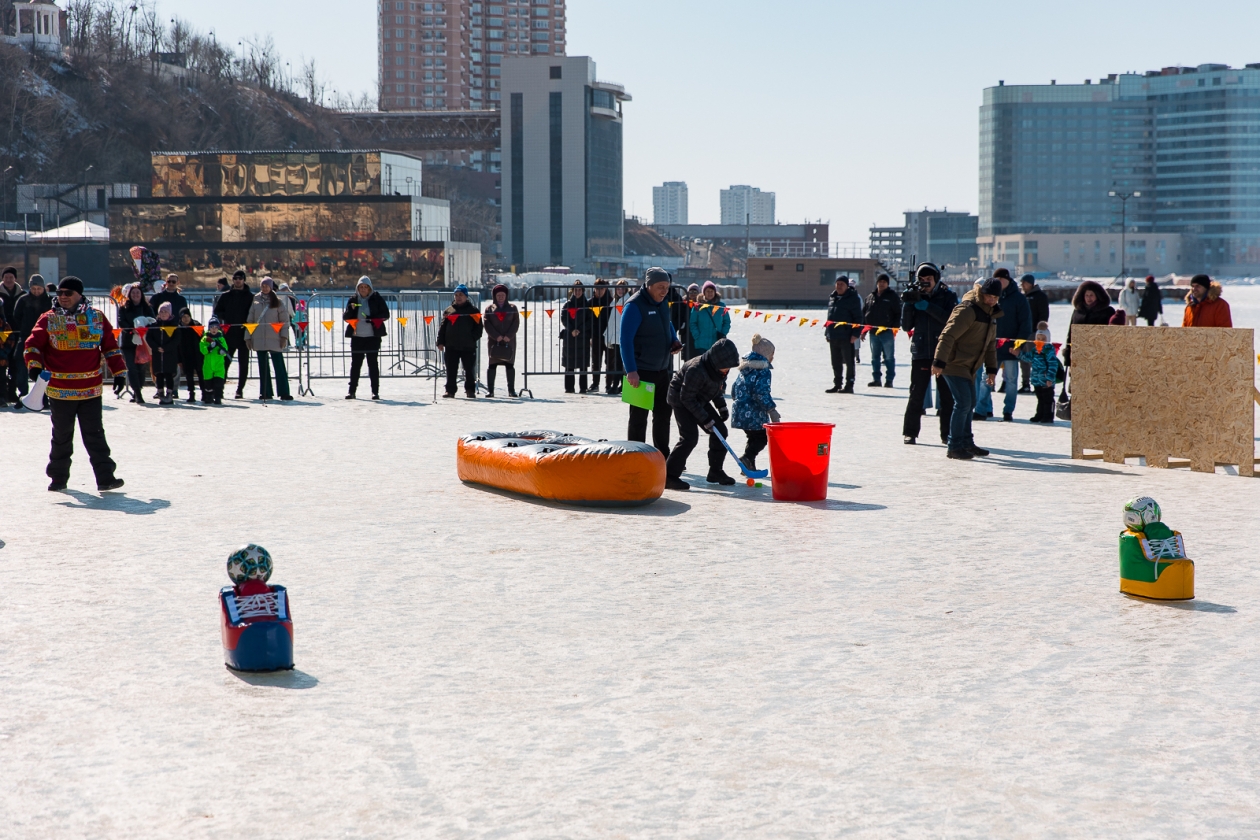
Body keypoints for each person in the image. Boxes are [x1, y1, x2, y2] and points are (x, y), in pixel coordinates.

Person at [23, 276, 126, 492]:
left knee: (95, 434)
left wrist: (119, 372)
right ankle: (58, 479)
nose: (62, 297)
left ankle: (106, 478)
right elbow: (32, 345)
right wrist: (34, 367)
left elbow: (110, 346)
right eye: (59, 293)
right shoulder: (48, 318)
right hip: (60, 390)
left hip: (91, 389)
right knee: (61, 437)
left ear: (79, 294)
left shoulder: (96, 317)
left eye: (67, 293)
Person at [932, 277, 1001, 461]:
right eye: (989, 296)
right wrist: (939, 361)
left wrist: (992, 369)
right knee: (963, 403)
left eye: (995, 297)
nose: (992, 300)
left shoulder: (991, 315)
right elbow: (947, 335)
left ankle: (966, 443)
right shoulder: (968, 310)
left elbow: (990, 345)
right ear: (982, 293)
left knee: (970, 403)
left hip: (970, 366)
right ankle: (954, 446)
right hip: (953, 363)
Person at [620, 267, 682, 457]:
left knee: (663, 415)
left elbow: (667, 323)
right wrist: (631, 370)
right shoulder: (634, 306)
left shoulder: (662, 303)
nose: (664, 291)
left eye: (667, 287)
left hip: (663, 370)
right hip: (641, 372)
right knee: (639, 418)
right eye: (660, 287)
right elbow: (625, 340)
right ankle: (635, 455)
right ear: (648, 286)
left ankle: (661, 454)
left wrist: (674, 339)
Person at [664, 337, 741, 490]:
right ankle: (669, 476)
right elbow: (686, 398)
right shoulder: (696, 369)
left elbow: (715, 389)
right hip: (680, 398)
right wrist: (705, 419)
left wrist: (722, 407)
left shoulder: (719, 371)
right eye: (726, 367)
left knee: (720, 431)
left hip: (699, 398)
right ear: (716, 363)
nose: (727, 370)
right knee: (689, 437)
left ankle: (715, 471)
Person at [901, 263, 958, 445]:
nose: (925, 283)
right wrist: (909, 304)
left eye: (929, 280)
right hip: (921, 351)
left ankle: (947, 434)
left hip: (943, 350)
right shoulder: (914, 295)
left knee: (946, 395)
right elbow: (905, 326)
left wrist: (926, 306)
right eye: (922, 280)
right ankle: (910, 433)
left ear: (936, 279)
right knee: (917, 393)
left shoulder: (947, 296)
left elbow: (950, 319)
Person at [976, 270, 1032, 422]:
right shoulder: (990, 297)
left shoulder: (1019, 299)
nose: (999, 281)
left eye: (1001, 279)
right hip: (991, 347)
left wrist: (1019, 345)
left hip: (1011, 348)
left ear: (1008, 280)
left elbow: (1025, 324)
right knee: (986, 379)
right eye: (996, 279)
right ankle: (981, 410)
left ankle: (1008, 411)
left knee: (1012, 381)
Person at [731, 334, 780, 473]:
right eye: (772, 354)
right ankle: (747, 458)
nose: (773, 357)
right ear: (765, 354)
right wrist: (771, 409)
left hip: (739, 409)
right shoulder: (763, 370)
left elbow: (734, 387)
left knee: (753, 437)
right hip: (753, 412)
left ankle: (748, 465)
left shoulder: (744, 367)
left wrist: (737, 402)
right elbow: (761, 393)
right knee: (763, 437)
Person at [245, 277, 294, 401]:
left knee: (279, 366)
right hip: (259, 338)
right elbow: (250, 320)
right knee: (263, 367)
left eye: (266, 286)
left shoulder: (277, 301)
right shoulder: (255, 300)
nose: (264, 288)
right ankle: (266, 392)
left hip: (275, 338)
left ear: (271, 287)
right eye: (262, 286)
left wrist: (284, 337)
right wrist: (248, 337)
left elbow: (284, 321)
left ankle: (284, 392)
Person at [343, 276, 389, 400]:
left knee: (372, 364)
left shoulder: (376, 298)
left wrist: (373, 319)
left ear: (370, 288)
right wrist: (350, 310)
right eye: (361, 287)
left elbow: (385, 314)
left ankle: (375, 391)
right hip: (357, 336)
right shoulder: (353, 300)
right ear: (358, 288)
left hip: (372, 336)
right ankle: (351, 391)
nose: (363, 289)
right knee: (356, 365)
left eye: (365, 287)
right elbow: (346, 317)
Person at [212, 270, 254, 399]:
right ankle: (220, 388)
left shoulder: (250, 297)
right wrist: (226, 318)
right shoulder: (226, 296)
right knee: (224, 362)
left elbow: (254, 314)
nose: (237, 280)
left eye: (240, 278)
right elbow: (217, 311)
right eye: (235, 278)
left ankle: (240, 389)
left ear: (244, 280)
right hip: (228, 334)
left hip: (244, 334)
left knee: (244, 363)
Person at [435, 283, 482, 398]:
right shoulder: (449, 310)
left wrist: (471, 338)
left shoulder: (473, 310)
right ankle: (450, 391)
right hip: (451, 346)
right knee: (451, 370)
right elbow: (443, 328)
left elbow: (479, 328)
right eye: (456, 295)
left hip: (468, 346)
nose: (458, 297)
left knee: (469, 370)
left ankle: (470, 390)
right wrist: (440, 342)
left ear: (466, 296)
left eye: (461, 294)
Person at [12, 275, 52, 403]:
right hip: (25, 336)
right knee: (21, 364)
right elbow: (16, 316)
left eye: (39, 288)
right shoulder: (23, 300)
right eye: (34, 288)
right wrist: (24, 327)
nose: (36, 291)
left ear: (43, 288)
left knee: (43, 366)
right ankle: (23, 393)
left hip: (45, 338)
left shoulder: (49, 301)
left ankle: (43, 395)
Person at [1063, 280, 1116, 369]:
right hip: (1079, 355)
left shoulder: (1107, 311)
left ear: (1097, 296)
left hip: (1099, 356)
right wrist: (1068, 355)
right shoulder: (1078, 311)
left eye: (1091, 295)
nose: (1088, 298)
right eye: (1086, 295)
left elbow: (1113, 334)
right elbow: (1070, 334)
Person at [116, 283, 154, 403]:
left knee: (141, 368)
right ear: (129, 295)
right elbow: (121, 321)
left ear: (141, 294)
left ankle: (139, 389)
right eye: (133, 293)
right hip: (128, 341)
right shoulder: (123, 308)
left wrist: (144, 328)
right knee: (131, 368)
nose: (136, 295)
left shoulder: (147, 307)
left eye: (138, 293)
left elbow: (152, 321)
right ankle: (137, 393)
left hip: (143, 342)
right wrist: (132, 329)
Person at [824, 275, 862, 393]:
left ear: (847, 286)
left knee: (849, 362)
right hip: (834, 335)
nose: (839, 286)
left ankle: (849, 385)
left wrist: (856, 334)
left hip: (847, 336)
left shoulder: (853, 298)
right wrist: (827, 332)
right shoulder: (833, 297)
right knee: (835, 362)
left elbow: (858, 318)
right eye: (837, 284)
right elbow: (830, 317)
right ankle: (837, 384)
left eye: (842, 284)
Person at [862, 273, 900, 388]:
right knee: (875, 358)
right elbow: (864, 314)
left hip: (887, 332)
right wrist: (863, 330)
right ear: (877, 283)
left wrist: (894, 328)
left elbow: (898, 313)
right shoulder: (870, 297)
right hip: (873, 332)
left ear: (887, 284)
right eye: (880, 281)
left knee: (888, 357)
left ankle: (889, 380)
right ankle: (876, 379)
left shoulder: (892, 296)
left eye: (884, 282)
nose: (882, 283)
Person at [483, 283, 519, 398]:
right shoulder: (489, 309)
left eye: (503, 295)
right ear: (495, 296)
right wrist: (496, 336)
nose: (501, 297)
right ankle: (490, 390)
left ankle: (511, 390)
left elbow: (516, 323)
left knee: (509, 364)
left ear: (506, 295)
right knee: (492, 365)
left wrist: (509, 335)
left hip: (509, 341)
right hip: (494, 341)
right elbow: (486, 323)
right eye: (498, 295)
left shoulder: (513, 308)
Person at [559, 279, 593, 393]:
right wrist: (571, 329)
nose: (577, 292)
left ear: (583, 291)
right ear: (572, 291)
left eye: (579, 290)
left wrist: (580, 329)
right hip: (570, 337)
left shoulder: (587, 305)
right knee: (569, 364)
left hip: (583, 337)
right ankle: (569, 388)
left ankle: (583, 388)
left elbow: (590, 320)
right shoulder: (567, 304)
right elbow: (563, 318)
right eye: (575, 290)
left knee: (583, 365)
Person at [1018, 275, 1049, 391]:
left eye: (1024, 283)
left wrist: (1040, 330)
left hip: (1034, 333)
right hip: (1022, 332)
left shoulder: (1040, 296)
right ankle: (1025, 383)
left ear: (1031, 283)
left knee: (1035, 360)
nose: (1022, 285)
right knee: (1023, 360)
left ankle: (1038, 383)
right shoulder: (1021, 297)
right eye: (1021, 283)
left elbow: (1043, 315)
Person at [147, 301, 181, 405]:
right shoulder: (154, 325)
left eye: (165, 311)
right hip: (157, 354)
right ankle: (160, 392)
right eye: (161, 311)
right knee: (159, 375)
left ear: (170, 313)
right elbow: (149, 338)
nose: (163, 314)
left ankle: (170, 393)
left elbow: (176, 340)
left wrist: (165, 348)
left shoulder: (175, 326)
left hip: (169, 354)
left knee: (169, 375)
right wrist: (156, 347)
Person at [1026, 322, 1060, 424]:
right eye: (1038, 338)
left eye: (1043, 339)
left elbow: (1053, 365)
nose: (1040, 341)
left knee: (1048, 399)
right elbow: (1028, 358)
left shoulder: (1049, 350)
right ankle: (1039, 414)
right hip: (1037, 379)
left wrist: (1049, 378)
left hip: (1046, 379)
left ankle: (1048, 416)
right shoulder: (1034, 350)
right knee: (1040, 398)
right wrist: (1019, 353)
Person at [689, 281, 732, 358]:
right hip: (701, 343)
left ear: (715, 292)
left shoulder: (721, 306)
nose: (710, 293)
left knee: (715, 367)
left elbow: (727, 322)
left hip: (717, 342)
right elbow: (693, 323)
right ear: (704, 293)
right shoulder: (697, 306)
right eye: (707, 291)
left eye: (712, 291)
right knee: (703, 367)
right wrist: (697, 336)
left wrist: (723, 333)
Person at [603, 279, 630, 394]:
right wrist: (608, 335)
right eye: (618, 288)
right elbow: (611, 322)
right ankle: (619, 384)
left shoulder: (628, 301)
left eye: (622, 288)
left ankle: (618, 385)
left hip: (623, 336)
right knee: (618, 362)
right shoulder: (615, 302)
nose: (620, 290)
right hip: (615, 336)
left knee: (622, 362)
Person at [0, 266, 23, 401]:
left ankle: (12, 393)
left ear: (15, 279)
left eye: (11, 277)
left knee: (15, 365)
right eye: (6, 277)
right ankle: (2, 393)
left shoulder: (22, 295)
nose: (8, 280)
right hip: (2, 334)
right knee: (1, 365)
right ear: (2, 278)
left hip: (17, 334)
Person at [176, 307, 204, 403]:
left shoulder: (197, 326)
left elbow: (203, 340)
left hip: (198, 355)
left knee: (201, 375)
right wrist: (179, 360)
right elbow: (177, 346)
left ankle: (204, 393)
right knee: (189, 376)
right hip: (185, 356)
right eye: (183, 317)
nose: (186, 319)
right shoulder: (178, 328)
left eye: (187, 316)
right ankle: (191, 394)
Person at [200, 317, 229, 404]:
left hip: (219, 365)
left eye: (216, 327)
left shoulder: (221, 338)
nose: (214, 329)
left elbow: (225, 349)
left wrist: (222, 351)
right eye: (212, 327)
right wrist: (209, 348)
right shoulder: (205, 339)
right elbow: (202, 350)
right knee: (208, 383)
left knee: (218, 383)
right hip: (208, 365)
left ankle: (218, 397)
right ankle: (208, 397)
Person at [588, 279, 611, 391]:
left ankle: (608, 384)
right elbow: (587, 321)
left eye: (601, 288)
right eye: (597, 288)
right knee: (596, 361)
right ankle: (595, 383)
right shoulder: (590, 302)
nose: (599, 291)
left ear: (605, 289)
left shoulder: (611, 302)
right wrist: (590, 336)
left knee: (610, 361)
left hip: (609, 336)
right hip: (596, 336)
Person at [682, 283, 700, 359]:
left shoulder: (701, 304)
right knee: (687, 354)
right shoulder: (683, 303)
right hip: (686, 332)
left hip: (698, 331)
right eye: (691, 292)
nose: (693, 294)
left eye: (695, 292)